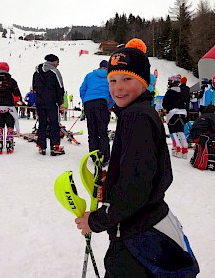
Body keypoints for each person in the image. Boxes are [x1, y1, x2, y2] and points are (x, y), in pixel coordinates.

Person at [75, 38, 199, 277]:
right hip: (146, 221)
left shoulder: (135, 118)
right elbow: (151, 172)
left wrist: (98, 220)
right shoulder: (139, 113)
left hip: (136, 234)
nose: (118, 87)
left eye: (127, 79)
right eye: (112, 80)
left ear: (143, 82)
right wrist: (114, 178)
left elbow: (135, 188)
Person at [79, 60, 113, 166]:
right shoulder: (110, 77)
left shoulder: (89, 75)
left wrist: (85, 101)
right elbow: (114, 92)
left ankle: (94, 156)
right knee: (102, 131)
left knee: (92, 130)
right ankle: (105, 157)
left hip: (89, 103)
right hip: (102, 102)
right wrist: (109, 105)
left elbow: (82, 89)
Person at [32, 54, 65, 156]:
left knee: (42, 123)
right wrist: (59, 101)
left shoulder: (36, 72)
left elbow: (34, 87)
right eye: (57, 62)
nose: (58, 64)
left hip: (40, 101)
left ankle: (41, 146)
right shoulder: (54, 72)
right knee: (54, 123)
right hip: (52, 101)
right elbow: (60, 87)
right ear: (54, 62)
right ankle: (55, 147)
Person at [0, 62, 22, 154]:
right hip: (9, 106)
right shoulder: (11, 81)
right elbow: (17, 94)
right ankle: (9, 144)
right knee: (10, 125)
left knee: (0, 125)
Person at [163, 76, 189, 159]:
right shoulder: (182, 91)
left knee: (173, 132)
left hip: (172, 113)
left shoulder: (169, 92)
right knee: (181, 132)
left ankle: (177, 149)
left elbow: (165, 104)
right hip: (183, 113)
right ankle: (184, 151)